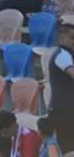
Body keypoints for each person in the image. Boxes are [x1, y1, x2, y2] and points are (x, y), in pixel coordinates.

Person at [48, 23, 74, 152]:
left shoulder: (69, 54)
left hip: (67, 109)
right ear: (62, 38)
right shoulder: (62, 55)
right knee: (68, 148)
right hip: (62, 111)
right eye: (73, 38)